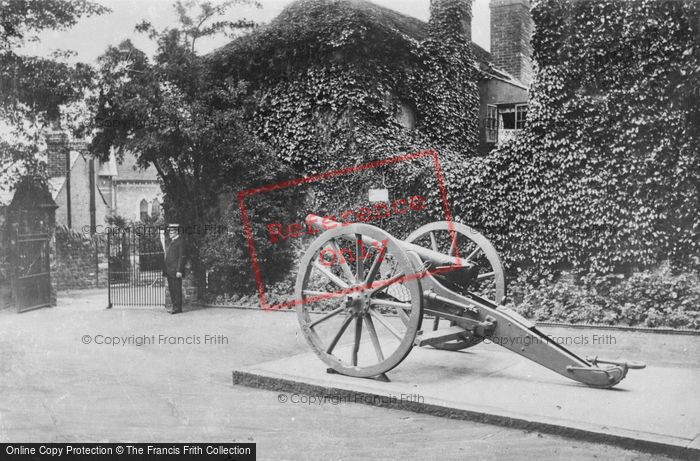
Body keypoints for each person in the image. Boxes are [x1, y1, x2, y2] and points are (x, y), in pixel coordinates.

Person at [162, 223, 186, 314]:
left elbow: (182, 257)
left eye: (172, 232)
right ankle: (174, 306)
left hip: (176, 270)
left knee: (176, 289)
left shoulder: (180, 241)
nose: (170, 234)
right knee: (172, 289)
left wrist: (179, 270)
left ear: (176, 232)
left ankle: (178, 308)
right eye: (170, 232)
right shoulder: (172, 241)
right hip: (170, 270)